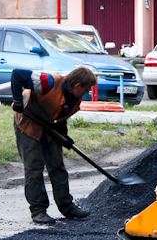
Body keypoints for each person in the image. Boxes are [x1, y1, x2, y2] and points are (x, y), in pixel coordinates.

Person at [11, 66, 96, 225]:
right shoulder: (48, 82)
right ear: (77, 85)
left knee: (57, 166)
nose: (87, 92)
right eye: (86, 89)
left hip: (49, 125)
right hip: (28, 122)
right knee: (34, 167)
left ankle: (67, 207)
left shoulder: (74, 96)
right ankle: (38, 211)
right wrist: (17, 101)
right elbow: (17, 74)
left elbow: (60, 113)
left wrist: (64, 136)